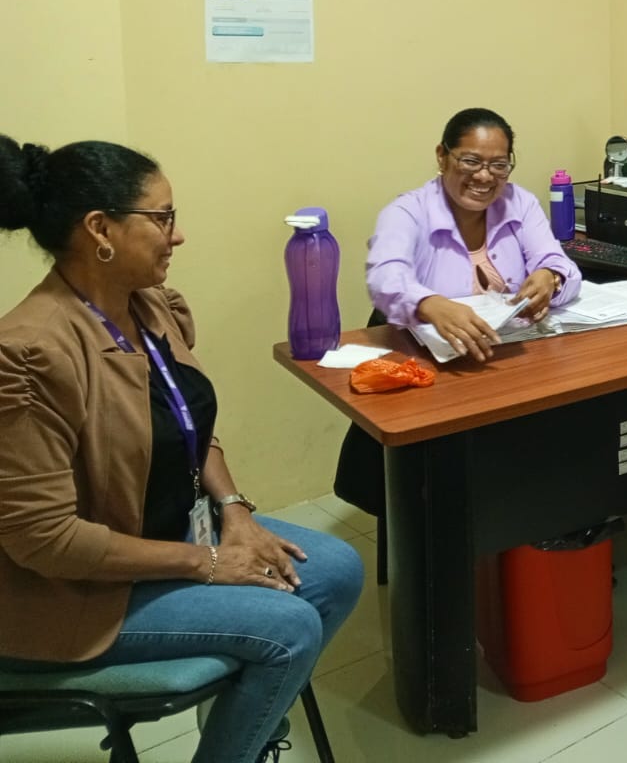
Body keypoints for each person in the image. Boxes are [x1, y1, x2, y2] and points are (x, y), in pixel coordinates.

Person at [0, 136, 364, 763]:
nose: (179, 235)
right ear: (100, 229)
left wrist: (235, 511)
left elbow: (190, 426)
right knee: (290, 628)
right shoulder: (29, 353)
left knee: (337, 569)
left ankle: (244, 727)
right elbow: (46, 542)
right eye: (163, 218)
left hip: (163, 534)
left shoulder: (144, 304)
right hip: (73, 594)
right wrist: (207, 563)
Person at [365, 107, 581, 358]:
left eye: (498, 165)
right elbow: (384, 278)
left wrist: (550, 277)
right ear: (442, 156)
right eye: (470, 161)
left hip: (507, 353)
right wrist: (428, 304)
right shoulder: (406, 212)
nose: (484, 176)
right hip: (426, 359)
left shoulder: (520, 203)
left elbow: (559, 263)